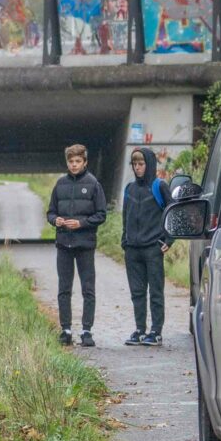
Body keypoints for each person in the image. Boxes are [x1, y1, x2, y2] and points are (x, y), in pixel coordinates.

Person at [47, 143, 107, 346]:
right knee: (64, 289)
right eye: (71, 161)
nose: (74, 165)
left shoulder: (93, 184)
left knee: (87, 289)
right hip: (63, 244)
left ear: (85, 162)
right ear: (67, 162)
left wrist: (81, 223)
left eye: (78, 161)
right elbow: (50, 212)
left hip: (85, 244)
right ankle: (66, 330)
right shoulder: (60, 184)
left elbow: (101, 214)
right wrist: (55, 220)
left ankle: (86, 331)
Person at [119, 146, 169, 346]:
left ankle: (156, 331)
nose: (138, 168)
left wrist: (168, 240)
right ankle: (140, 330)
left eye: (141, 164)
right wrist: (125, 240)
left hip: (152, 249)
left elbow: (173, 213)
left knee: (155, 291)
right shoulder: (129, 189)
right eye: (134, 164)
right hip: (132, 249)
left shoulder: (159, 186)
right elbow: (125, 216)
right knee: (137, 292)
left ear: (149, 165)